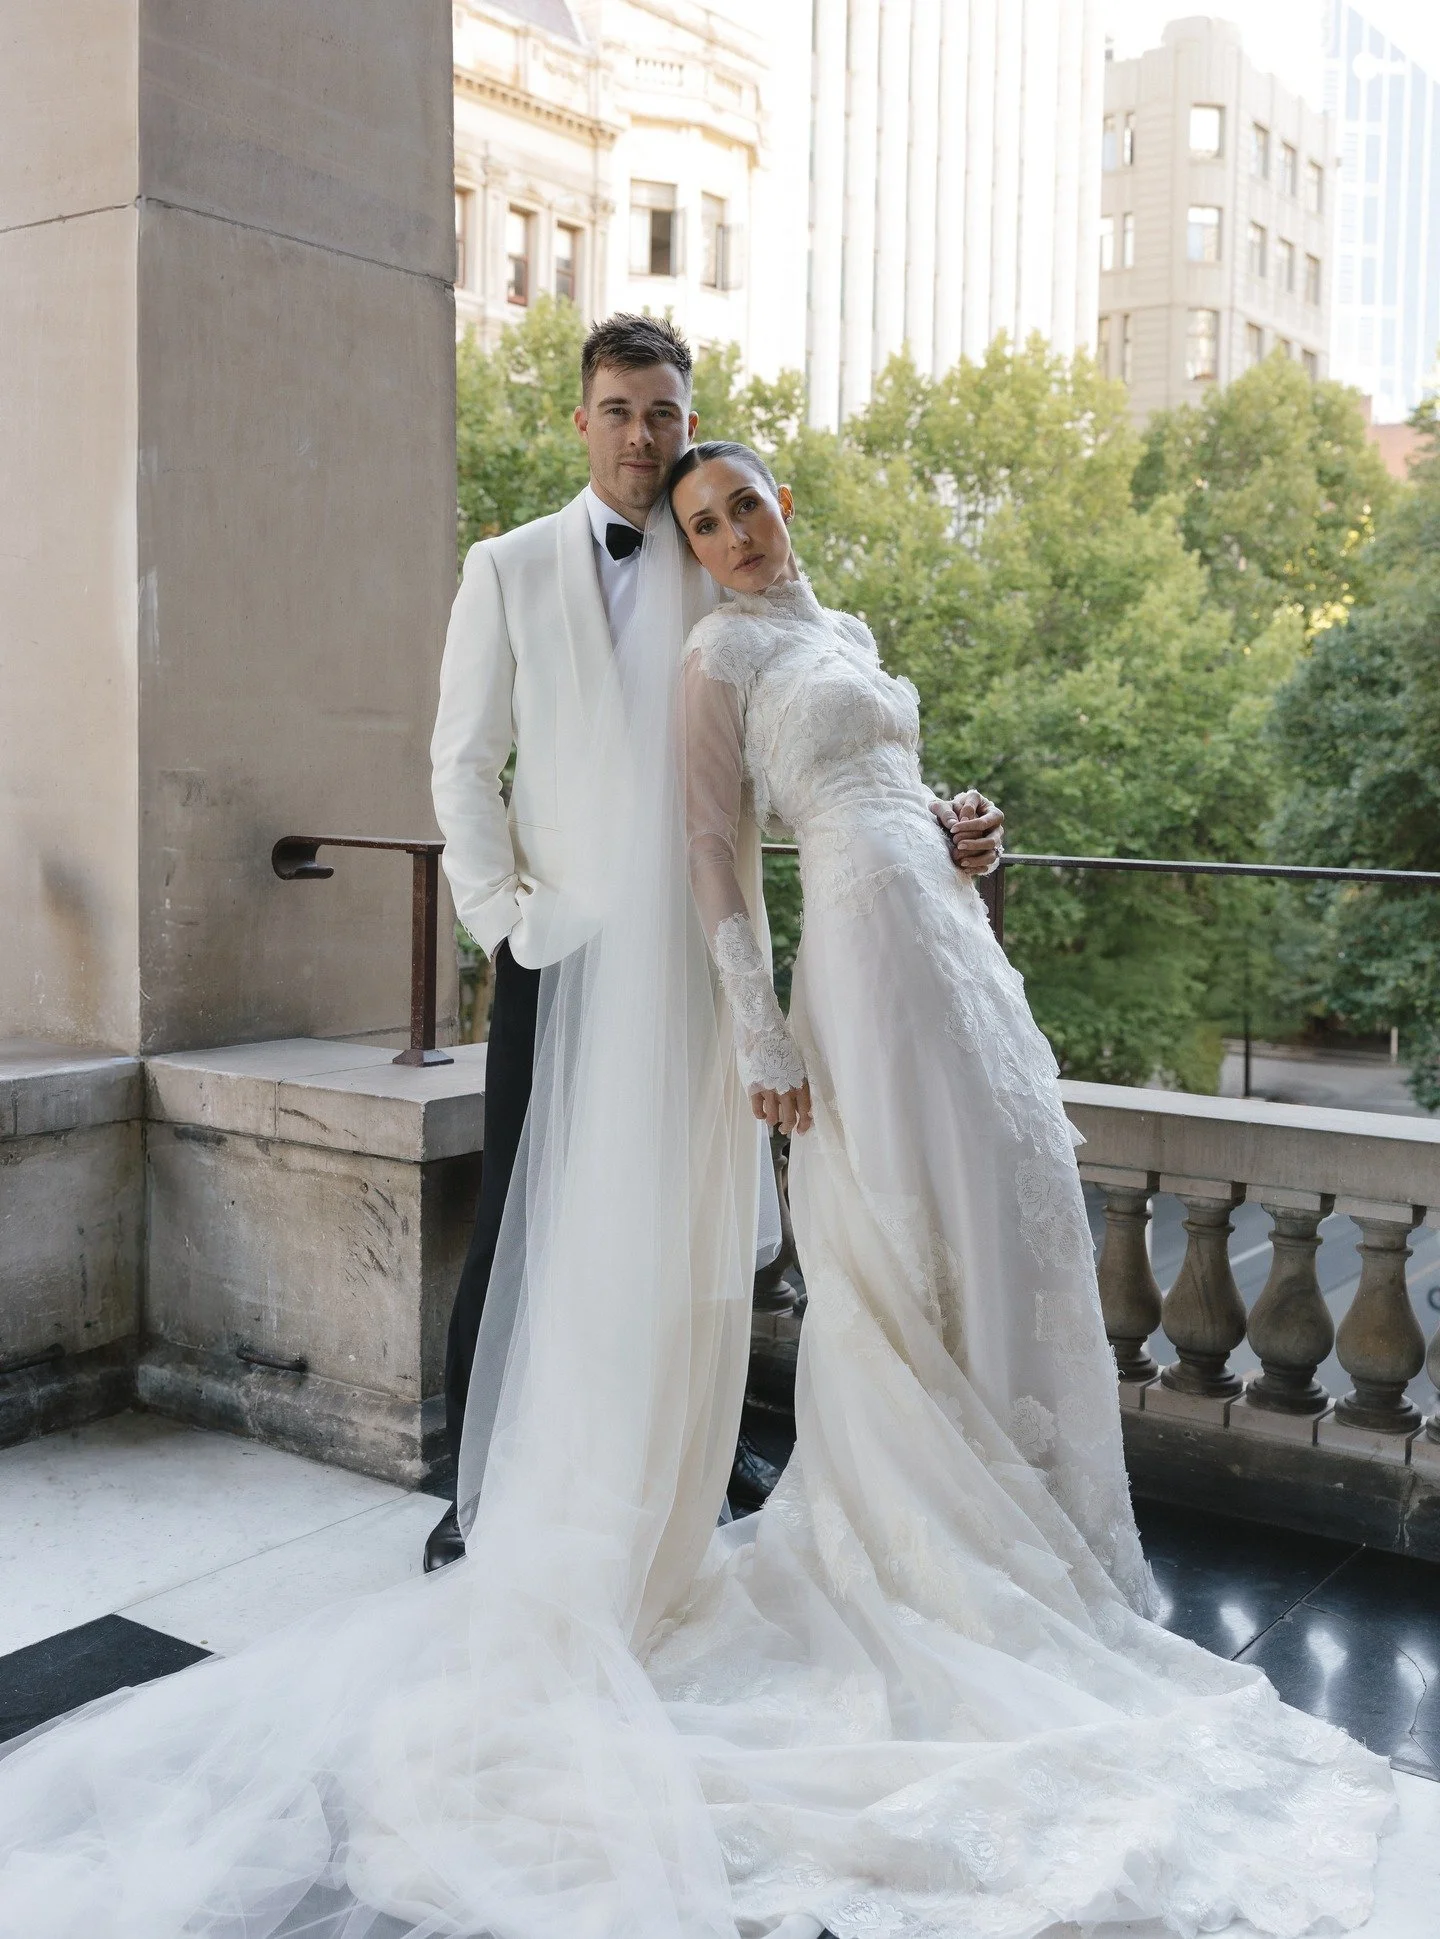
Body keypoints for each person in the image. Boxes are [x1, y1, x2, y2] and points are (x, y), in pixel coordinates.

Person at [425, 314, 1002, 1570]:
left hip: (705, 955)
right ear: (582, 421)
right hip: (563, 951)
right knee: (524, 1212)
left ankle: (692, 1454)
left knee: (701, 1215)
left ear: (691, 425)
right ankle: (472, 1487)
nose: (644, 434)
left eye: (666, 413)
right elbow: (462, 764)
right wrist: (504, 926)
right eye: (621, 410)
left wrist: (936, 818)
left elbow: (821, 728)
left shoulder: (720, 552)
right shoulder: (508, 566)